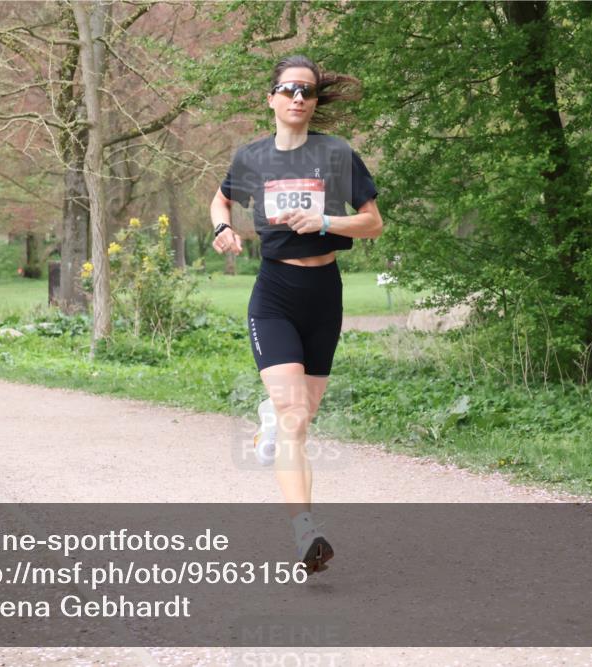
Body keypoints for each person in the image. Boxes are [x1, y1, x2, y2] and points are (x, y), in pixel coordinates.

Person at [210, 55, 384, 573]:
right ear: (272, 99)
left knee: (299, 419)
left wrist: (326, 219)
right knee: (294, 419)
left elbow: (373, 224)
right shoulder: (251, 158)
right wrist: (223, 229)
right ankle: (304, 530)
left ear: (314, 101)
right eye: (287, 89)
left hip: (324, 294)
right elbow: (219, 202)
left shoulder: (337, 155)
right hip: (275, 294)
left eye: (306, 91)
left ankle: (269, 425)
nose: (297, 97)